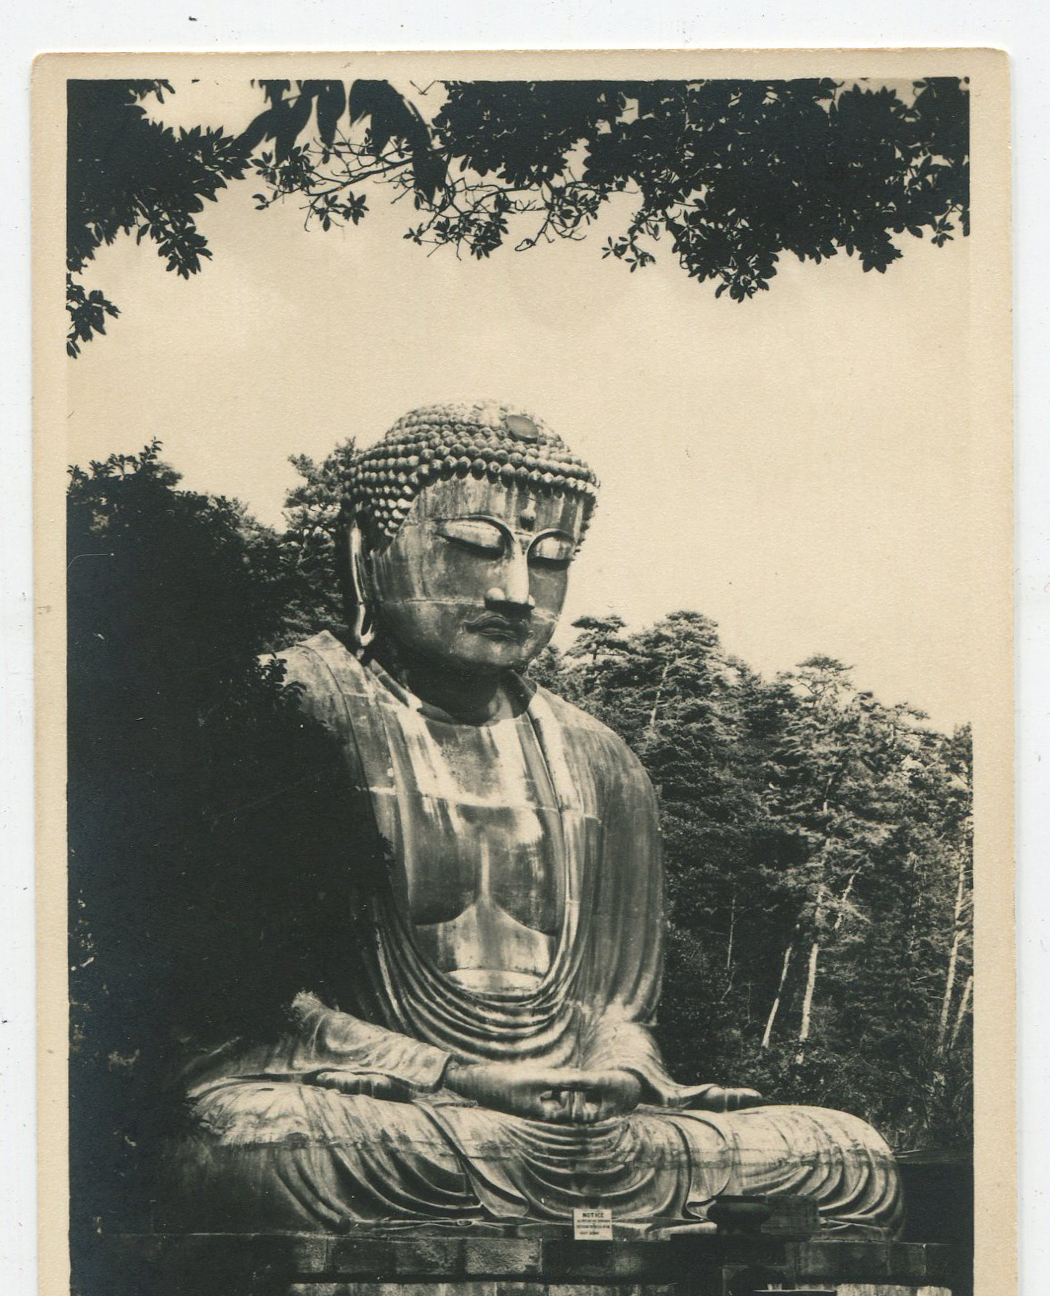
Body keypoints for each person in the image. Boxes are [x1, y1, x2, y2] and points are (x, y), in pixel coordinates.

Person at [167, 402, 902, 1233]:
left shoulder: (602, 762)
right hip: (394, 1111)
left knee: (850, 1154)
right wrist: (453, 1074)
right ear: (366, 549)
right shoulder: (283, 713)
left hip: (566, 1129)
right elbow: (244, 1010)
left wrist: (620, 1075)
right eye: (476, 547)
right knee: (260, 1142)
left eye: (550, 560)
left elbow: (618, 1010)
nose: (516, 591)